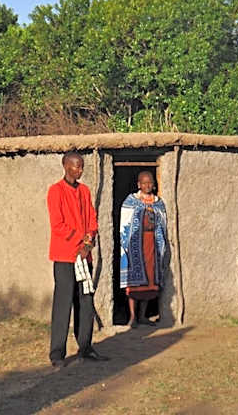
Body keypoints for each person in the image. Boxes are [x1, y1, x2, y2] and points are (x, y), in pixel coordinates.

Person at [48, 152, 108, 368]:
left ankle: (85, 347)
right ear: (65, 166)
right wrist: (79, 241)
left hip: (84, 256)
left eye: (81, 167)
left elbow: (92, 219)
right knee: (63, 304)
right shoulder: (56, 191)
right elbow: (58, 224)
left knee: (85, 302)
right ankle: (57, 354)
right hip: (65, 257)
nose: (79, 170)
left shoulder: (84, 191)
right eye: (75, 167)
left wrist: (88, 243)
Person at [119, 170, 169, 327]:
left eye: (150, 182)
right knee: (133, 283)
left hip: (152, 246)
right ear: (138, 184)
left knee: (150, 282)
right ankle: (133, 317)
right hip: (135, 246)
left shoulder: (158, 203)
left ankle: (143, 316)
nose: (148, 185)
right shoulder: (130, 201)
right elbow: (125, 223)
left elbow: (162, 224)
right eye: (144, 182)